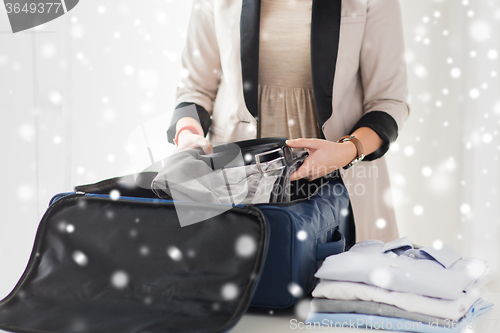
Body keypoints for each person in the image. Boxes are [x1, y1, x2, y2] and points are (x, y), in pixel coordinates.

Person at [166, 0, 410, 243]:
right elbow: (195, 89)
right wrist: (187, 133)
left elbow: (388, 101)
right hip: (236, 186)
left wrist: (347, 150)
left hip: (338, 187)